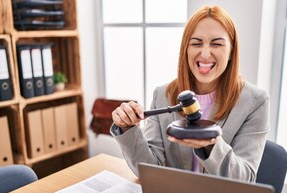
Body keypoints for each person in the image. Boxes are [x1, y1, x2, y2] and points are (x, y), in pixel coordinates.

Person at [110, 5, 269, 182]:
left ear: (231, 51)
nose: (205, 53)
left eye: (216, 44)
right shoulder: (162, 95)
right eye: (196, 43)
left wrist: (210, 144)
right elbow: (149, 170)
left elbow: (245, 179)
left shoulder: (256, 102)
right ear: (186, 49)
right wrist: (127, 128)